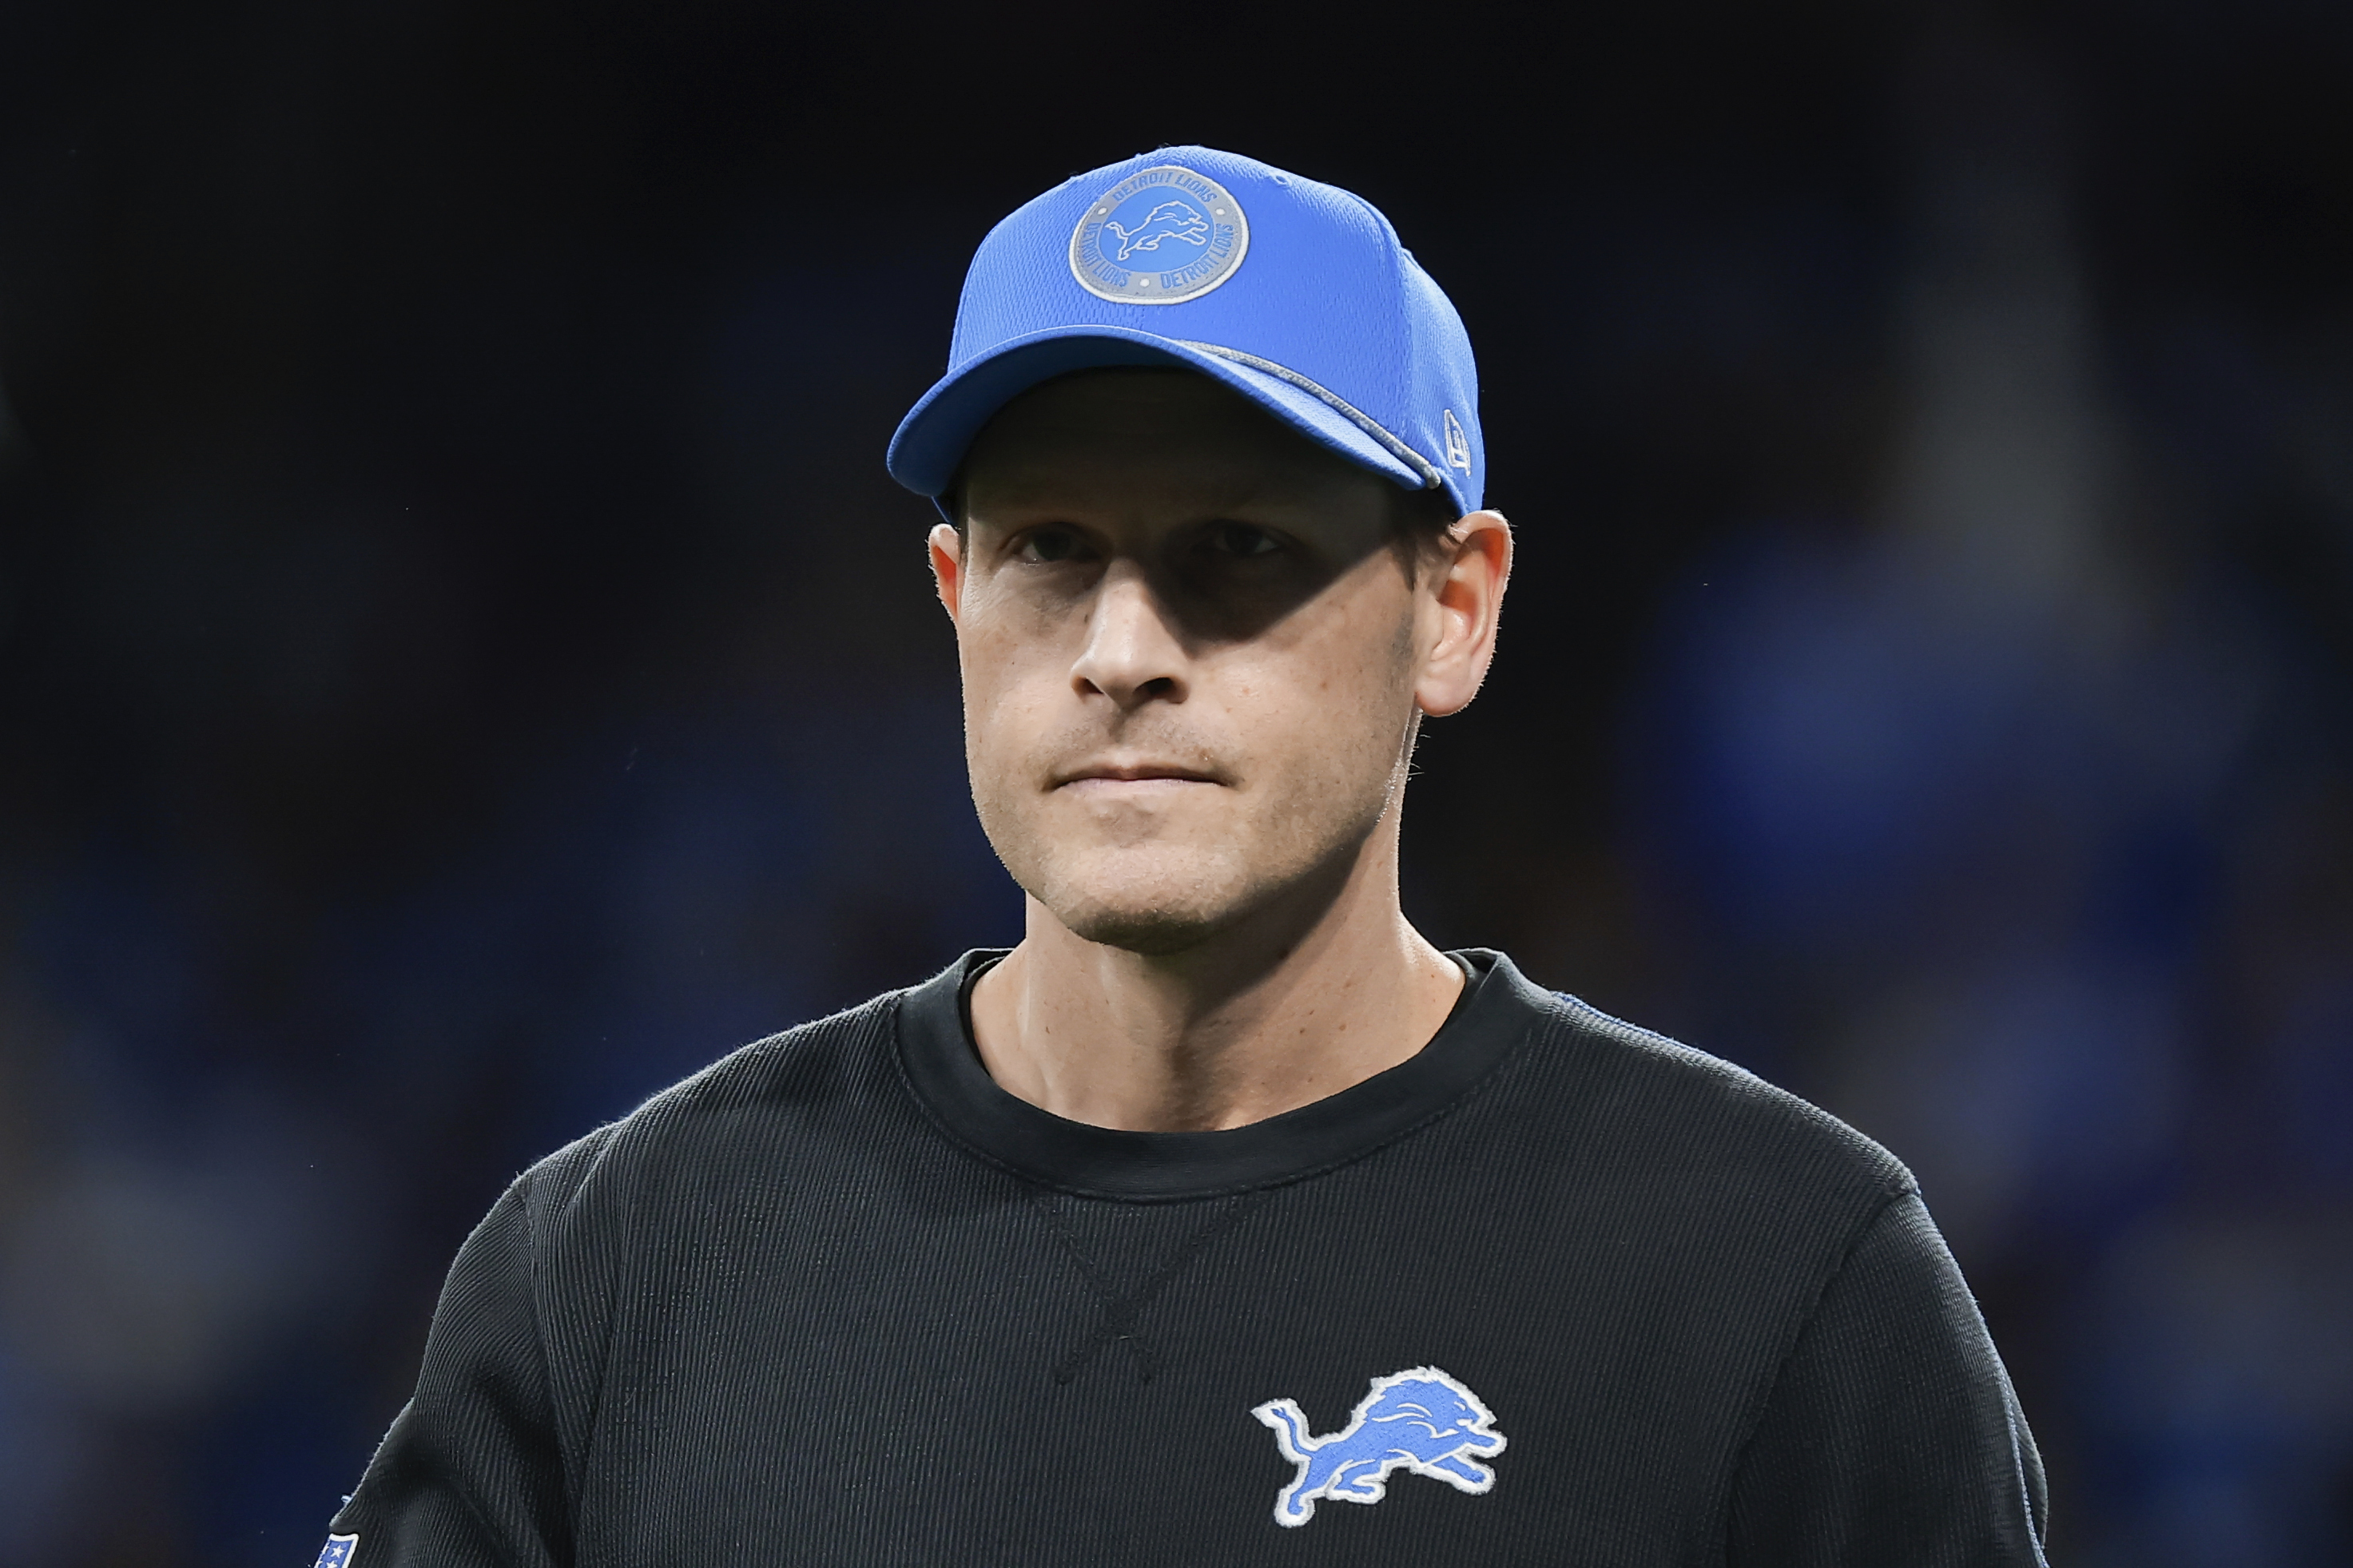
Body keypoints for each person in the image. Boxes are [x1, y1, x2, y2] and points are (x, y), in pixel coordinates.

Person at [318, 147, 2049, 1565]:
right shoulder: (622, 1267)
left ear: (1452, 611)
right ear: (956, 605)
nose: (1121, 644)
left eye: (1234, 548)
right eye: (1053, 551)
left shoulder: (1777, 1283)